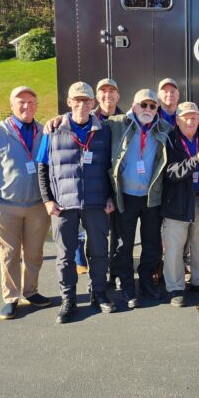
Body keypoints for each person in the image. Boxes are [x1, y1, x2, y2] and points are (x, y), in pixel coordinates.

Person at [37, 82, 115, 324]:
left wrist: (111, 196)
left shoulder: (104, 130)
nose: (81, 105)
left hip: (96, 202)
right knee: (65, 256)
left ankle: (99, 293)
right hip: (63, 204)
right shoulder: (52, 130)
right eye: (76, 100)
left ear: (93, 104)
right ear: (69, 102)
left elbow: (110, 167)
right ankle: (68, 299)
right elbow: (42, 167)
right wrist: (47, 200)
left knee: (99, 252)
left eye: (86, 101)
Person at [0, 86, 51, 320]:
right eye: (21, 102)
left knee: (34, 253)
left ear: (36, 106)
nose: (26, 106)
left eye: (31, 102)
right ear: (12, 105)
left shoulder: (44, 131)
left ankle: (31, 291)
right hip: (6, 206)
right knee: (9, 254)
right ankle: (10, 297)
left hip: (38, 207)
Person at [106, 89, 170, 307]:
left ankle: (146, 282)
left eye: (153, 106)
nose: (148, 109)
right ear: (134, 106)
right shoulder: (116, 124)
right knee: (124, 245)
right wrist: (60, 120)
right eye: (144, 105)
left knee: (151, 243)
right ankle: (126, 285)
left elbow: (190, 129)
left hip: (151, 196)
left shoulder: (163, 128)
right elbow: (87, 121)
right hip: (125, 196)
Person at [161, 102, 199, 307]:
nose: (190, 121)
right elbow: (170, 171)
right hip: (176, 200)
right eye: (186, 117)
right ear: (178, 119)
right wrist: (195, 160)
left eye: (194, 117)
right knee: (174, 247)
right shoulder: (169, 139)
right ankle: (175, 288)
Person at [74, 78, 123, 282]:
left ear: (118, 95)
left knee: (118, 234)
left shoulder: (127, 119)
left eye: (112, 91)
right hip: (94, 185)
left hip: (119, 186)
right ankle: (94, 276)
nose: (108, 95)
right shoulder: (88, 117)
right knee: (94, 235)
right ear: (96, 97)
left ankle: (116, 272)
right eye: (103, 91)